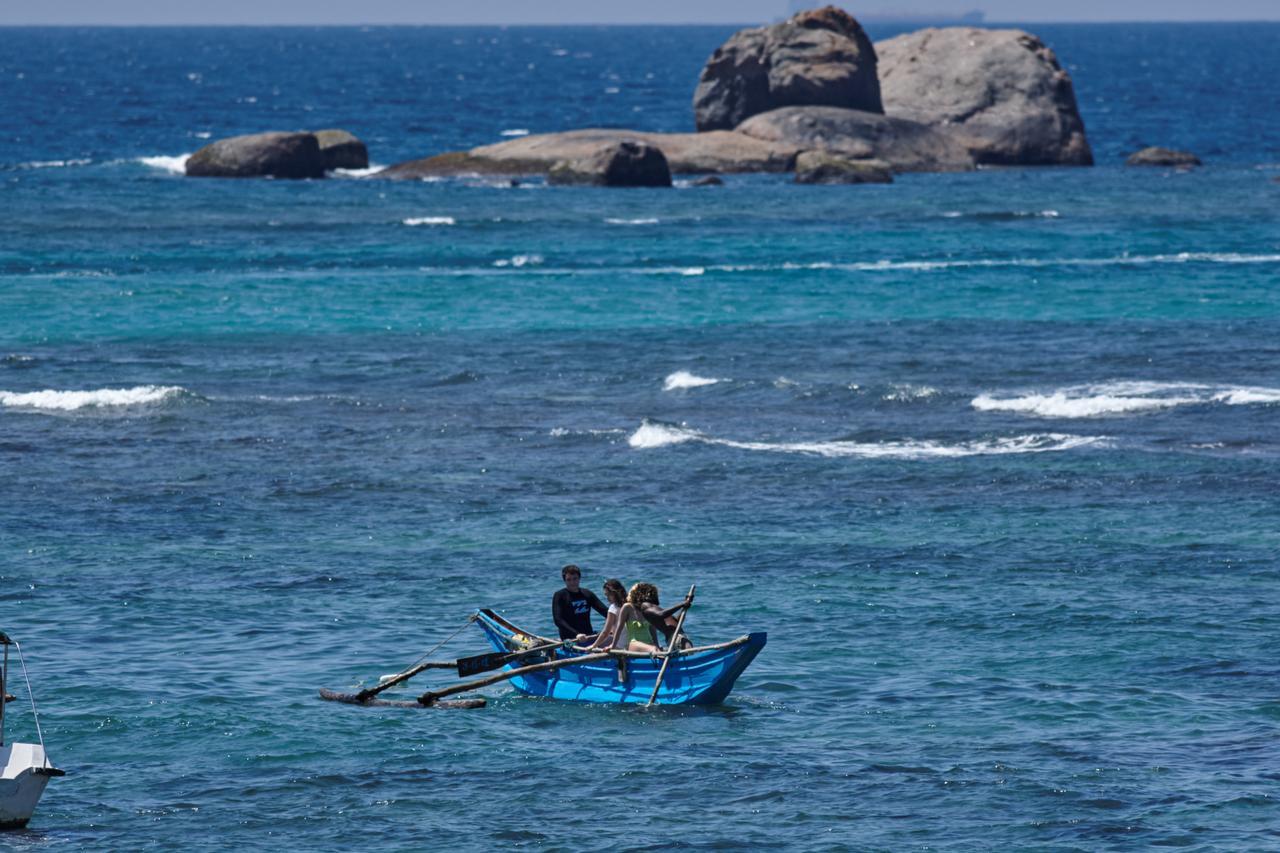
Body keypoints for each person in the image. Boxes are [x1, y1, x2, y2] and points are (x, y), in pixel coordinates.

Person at [609, 582, 693, 653]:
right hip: (637, 644)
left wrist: (684, 607)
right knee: (690, 653)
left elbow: (677, 623)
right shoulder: (644, 607)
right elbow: (661, 614)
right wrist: (682, 603)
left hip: (677, 636)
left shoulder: (652, 610)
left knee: (690, 652)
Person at [551, 564, 608, 643]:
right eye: (569, 579)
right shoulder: (560, 596)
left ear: (579, 578)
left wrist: (613, 625)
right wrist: (577, 634)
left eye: (575, 579)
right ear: (564, 580)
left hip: (589, 637)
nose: (572, 582)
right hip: (571, 639)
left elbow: (606, 612)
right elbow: (558, 620)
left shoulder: (587, 594)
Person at [588, 578, 628, 650]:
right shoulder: (630, 605)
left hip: (619, 646)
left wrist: (593, 646)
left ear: (615, 593)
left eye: (609, 595)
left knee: (595, 647)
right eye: (606, 595)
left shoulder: (613, 608)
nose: (607, 598)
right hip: (631, 645)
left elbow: (606, 632)